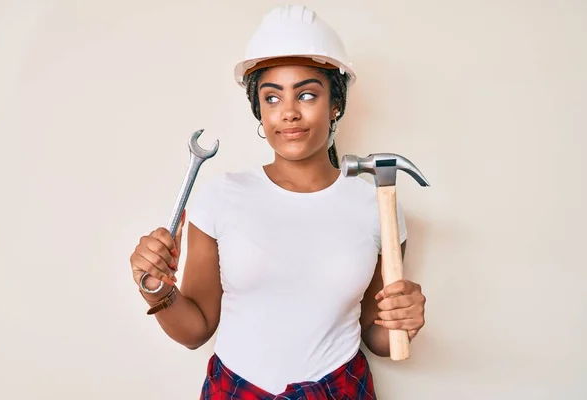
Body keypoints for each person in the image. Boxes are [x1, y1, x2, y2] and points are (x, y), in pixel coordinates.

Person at [129, 5, 426, 399]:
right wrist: (156, 290)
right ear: (260, 110)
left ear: (335, 104)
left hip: (338, 390)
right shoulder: (221, 196)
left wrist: (403, 321)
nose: (288, 112)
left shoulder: (378, 207)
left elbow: (377, 335)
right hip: (235, 389)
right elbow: (195, 331)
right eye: (272, 98)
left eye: (307, 94)